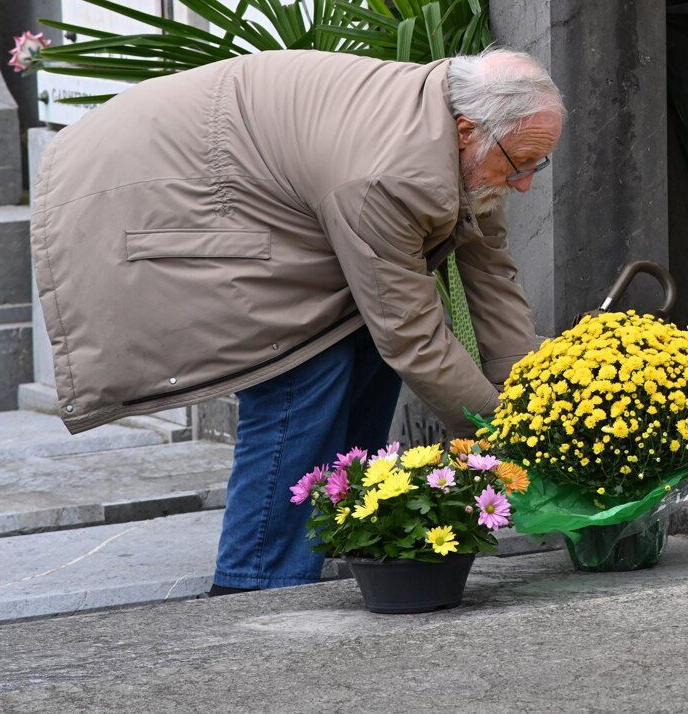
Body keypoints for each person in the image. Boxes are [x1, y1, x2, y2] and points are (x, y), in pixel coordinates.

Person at [29, 47, 562, 590]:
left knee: (360, 343)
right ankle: (255, 584)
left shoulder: (465, 138)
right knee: (301, 363)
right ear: (468, 129)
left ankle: (340, 546)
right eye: (519, 164)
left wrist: (529, 402)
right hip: (157, 200)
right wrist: (504, 437)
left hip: (255, 188)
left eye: (537, 164)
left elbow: (491, 277)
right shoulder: (393, 171)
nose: (525, 184)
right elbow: (412, 338)